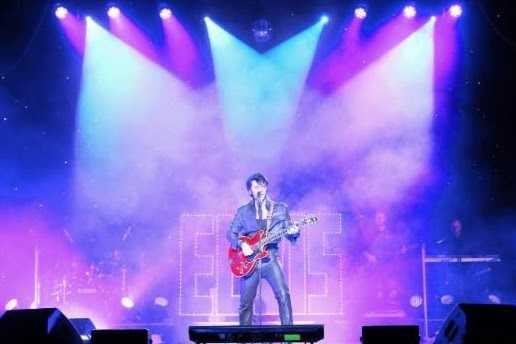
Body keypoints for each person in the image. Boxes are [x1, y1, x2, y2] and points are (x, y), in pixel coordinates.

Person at [227, 173, 300, 325]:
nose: (259, 189)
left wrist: (294, 232)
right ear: (250, 192)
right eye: (255, 186)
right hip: (249, 262)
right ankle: (245, 341)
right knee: (246, 303)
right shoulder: (243, 211)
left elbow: (288, 231)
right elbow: (230, 233)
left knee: (283, 295)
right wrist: (242, 245)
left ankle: (289, 338)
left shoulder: (280, 209)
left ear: (266, 187)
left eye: (262, 185)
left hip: (270, 259)